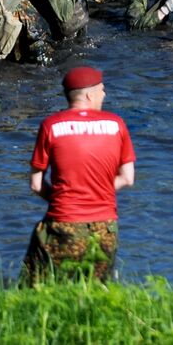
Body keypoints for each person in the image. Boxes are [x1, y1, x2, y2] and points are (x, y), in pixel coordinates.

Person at [24, 67, 135, 284]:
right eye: (102, 90)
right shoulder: (116, 124)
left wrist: (65, 197)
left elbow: (36, 184)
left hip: (63, 225)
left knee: (42, 289)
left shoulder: (51, 125)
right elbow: (128, 178)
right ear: (89, 95)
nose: (104, 95)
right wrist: (97, 193)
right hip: (105, 226)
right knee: (97, 292)